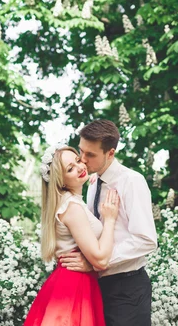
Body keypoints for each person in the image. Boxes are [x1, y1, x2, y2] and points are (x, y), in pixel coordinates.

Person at [60, 119, 158, 326]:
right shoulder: (93, 183)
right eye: (81, 152)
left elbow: (147, 240)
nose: (83, 160)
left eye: (91, 155)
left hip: (128, 289)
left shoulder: (132, 181)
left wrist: (97, 263)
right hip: (98, 286)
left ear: (110, 153)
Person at [24, 145, 120, 326]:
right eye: (70, 169)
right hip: (75, 285)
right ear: (61, 181)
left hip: (71, 280)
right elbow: (100, 258)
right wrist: (110, 220)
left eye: (77, 161)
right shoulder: (71, 207)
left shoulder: (68, 202)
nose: (80, 168)